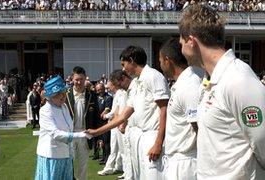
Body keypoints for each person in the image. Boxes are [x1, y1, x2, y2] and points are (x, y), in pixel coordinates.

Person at [179, 4, 265, 179]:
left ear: (191, 41)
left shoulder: (237, 78)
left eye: (181, 42)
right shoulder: (210, 79)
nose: (180, 49)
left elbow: (262, 142)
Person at [87, 46, 170, 180]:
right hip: (139, 137)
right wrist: (98, 131)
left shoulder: (153, 76)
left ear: (131, 60)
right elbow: (124, 115)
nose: (123, 69)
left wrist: (158, 143)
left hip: (152, 136)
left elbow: (164, 109)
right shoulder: (136, 83)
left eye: (124, 64)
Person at [158, 37, 204, 180]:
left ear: (167, 60)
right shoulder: (181, 84)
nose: (160, 65)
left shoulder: (189, 86)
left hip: (186, 165)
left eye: (160, 61)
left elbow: (200, 129)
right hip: (176, 162)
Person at [34, 75, 91, 180]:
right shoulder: (46, 110)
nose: (62, 96)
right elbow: (55, 134)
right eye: (58, 94)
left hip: (66, 155)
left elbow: (69, 128)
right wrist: (81, 135)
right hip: (52, 156)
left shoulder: (64, 107)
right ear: (51, 96)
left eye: (64, 93)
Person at [65, 66, 99, 180]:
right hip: (70, 134)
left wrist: (97, 135)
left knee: (83, 165)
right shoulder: (65, 94)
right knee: (70, 164)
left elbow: (96, 117)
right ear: (72, 79)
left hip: (85, 134)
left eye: (81, 79)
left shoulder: (92, 95)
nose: (79, 82)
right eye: (76, 79)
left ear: (85, 79)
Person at [95, 83, 113, 165]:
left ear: (103, 88)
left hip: (105, 122)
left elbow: (107, 108)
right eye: (98, 89)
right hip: (98, 122)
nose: (99, 91)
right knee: (101, 141)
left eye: (100, 89)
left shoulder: (108, 97)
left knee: (106, 141)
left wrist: (103, 113)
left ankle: (107, 158)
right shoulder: (96, 97)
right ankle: (103, 157)